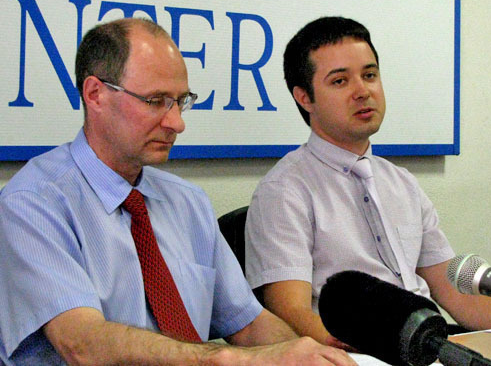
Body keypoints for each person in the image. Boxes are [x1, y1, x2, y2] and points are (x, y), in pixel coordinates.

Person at [0, 18, 357, 366]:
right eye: (155, 101)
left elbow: (249, 323)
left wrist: (305, 355)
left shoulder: (188, 202)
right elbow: (82, 345)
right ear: (95, 94)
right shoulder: (32, 203)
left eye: (180, 101)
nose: (177, 123)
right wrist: (225, 358)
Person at [245, 16, 491, 348]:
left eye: (369, 75)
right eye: (340, 81)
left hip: (430, 343)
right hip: (356, 350)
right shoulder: (284, 191)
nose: (362, 91)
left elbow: (455, 292)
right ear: (305, 98)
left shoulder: (402, 182)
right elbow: (290, 312)